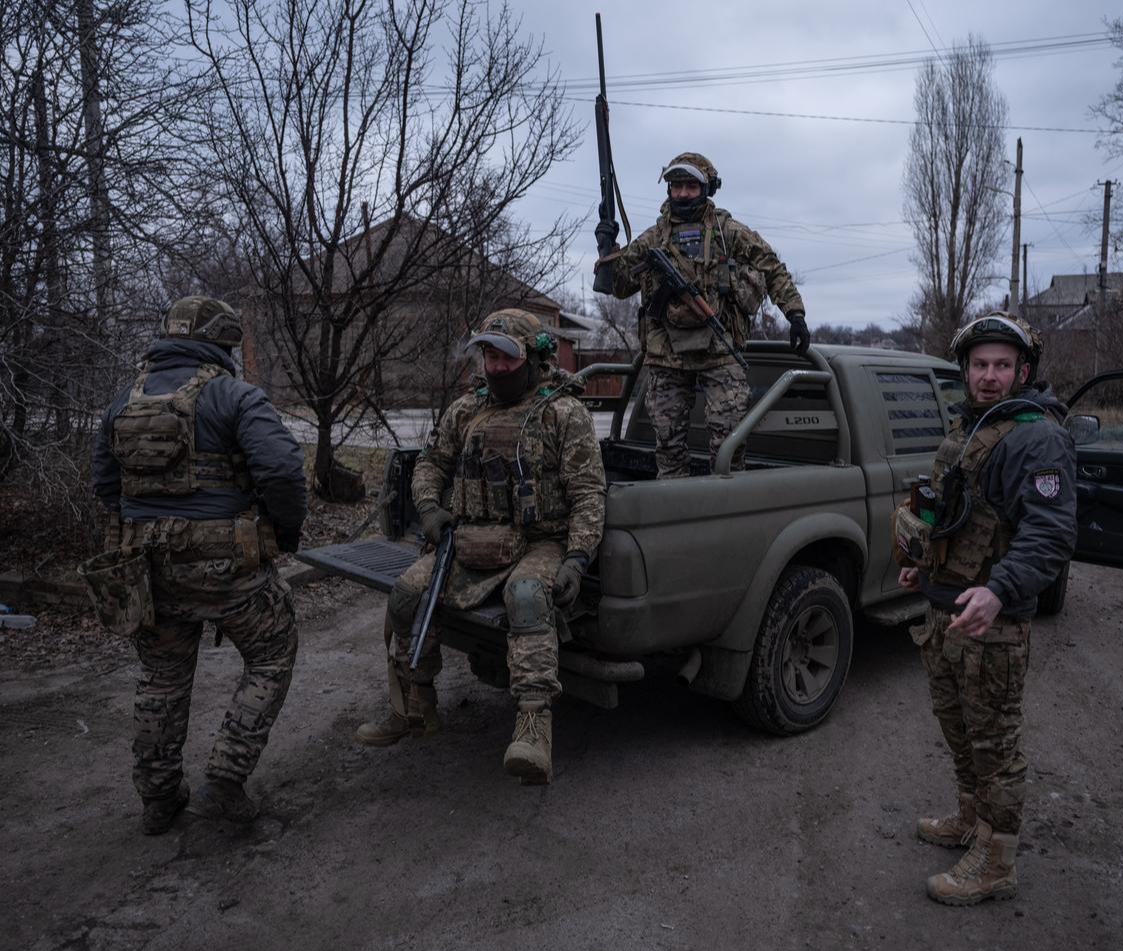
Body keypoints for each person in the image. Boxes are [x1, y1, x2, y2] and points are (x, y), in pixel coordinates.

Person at [355, 309, 606, 785]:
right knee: (408, 593)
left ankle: (534, 726)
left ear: (534, 358)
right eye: (488, 356)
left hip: (539, 541)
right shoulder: (468, 409)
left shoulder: (562, 412)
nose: (494, 368)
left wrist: (577, 557)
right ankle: (415, 704)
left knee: (529, 598)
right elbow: (430, 465)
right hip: (467, 538)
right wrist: (430, 510)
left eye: (505, 358)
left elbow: (588, 493)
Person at [85, 296, 307, 834]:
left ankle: (159, 798)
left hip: (148, 571)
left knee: (161, 677)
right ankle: (225, 780)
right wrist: (287, 531)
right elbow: (281, 471)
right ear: (222, 343)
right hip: (227, 567)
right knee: (272, 654)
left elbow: (104, 485)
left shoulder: (123, 401)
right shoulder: (234, 394)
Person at [895, 311, 1076, 905]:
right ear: (966, 370)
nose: (990, 376)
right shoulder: (971, 427)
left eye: (1003, 365)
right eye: (980, 365)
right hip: (944, 611)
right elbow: (957, 514)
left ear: (1023, 371)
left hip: (992, 625)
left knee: (995, 744)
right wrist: (924, 565)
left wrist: (999, 590)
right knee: (959, 731)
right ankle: (972, 822)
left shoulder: (1036, 435)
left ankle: (996, 861)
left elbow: (1048, 534)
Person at [595, 151, 808, 478]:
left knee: (728, 444)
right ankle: (677, 511)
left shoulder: (727, 231)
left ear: (707, 188)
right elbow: (621, 286)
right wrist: (607, 250)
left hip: (719, 352)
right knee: (667, 446)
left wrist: (794, 314)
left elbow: (771, 266)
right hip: (666, 356)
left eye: (690, 186)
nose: (681, 193)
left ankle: (726, 511)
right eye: (676, 185)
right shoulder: (655, 237)